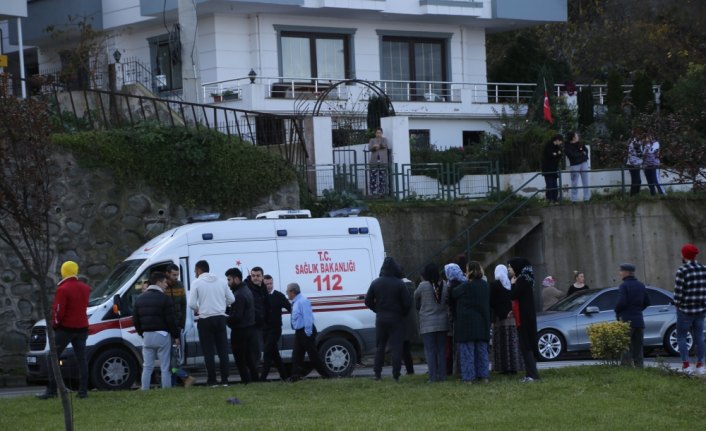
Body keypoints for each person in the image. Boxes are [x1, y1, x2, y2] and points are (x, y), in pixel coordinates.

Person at [37, 261, 91, 400]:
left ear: (63, 271)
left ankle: (52, 389)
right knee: (82, 359)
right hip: (82, 327)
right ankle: (83, 391)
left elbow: (58, 311)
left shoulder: (63, 289)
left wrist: (55, 325)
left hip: (66, 329)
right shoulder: (85, 288)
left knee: (52, 357)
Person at [365, 257, 412, 381]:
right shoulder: (399, 284)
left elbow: (367, 301)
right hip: (396, 318)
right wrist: (402, 313)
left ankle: (377, 374)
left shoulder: (375, 283)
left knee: (380, 347)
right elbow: (407, 303)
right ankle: (396, 374)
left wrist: (377, 310)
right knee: (396, 347)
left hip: (381, 318)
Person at [188, 260, 234, 387]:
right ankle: (225, 380)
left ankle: (212, 380)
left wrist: (199, 309)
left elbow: (191, 304)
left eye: (195, 271)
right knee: (223, 351)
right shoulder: (221, 281)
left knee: (209, 352)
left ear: (198, 270)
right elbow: (232, 299)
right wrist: (220, 306)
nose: (195, 274)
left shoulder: (196, 283)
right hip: (220, 318)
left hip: (205, 319)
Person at [133, 271, 180, 390]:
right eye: (164, 282)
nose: (166, 285)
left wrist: (141, 333)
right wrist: (176, 335)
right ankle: (166, 390)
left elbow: (136, 320)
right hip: (162, 335)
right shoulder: (165, 299)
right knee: (165, 367)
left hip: (147, 336)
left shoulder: (139, 299)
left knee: (147, 366)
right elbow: (171, 320)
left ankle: (145, 390)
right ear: (158, 282)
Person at [451, 261, 491, 383]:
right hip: (482, 322)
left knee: (467, 352)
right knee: (482, 351)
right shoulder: (485, 285)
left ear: (470, 271)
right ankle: (484, 376)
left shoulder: (466, 285)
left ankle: (468, 378)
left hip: (466, 324)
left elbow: (454, 293)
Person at [673, 244, 706, 374]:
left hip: (685, 311)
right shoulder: (704, 269)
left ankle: (686, 366)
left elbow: (678, 293)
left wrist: (677, 303)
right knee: (699, 337)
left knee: (681, 337)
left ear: (684, 255)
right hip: (700, 310)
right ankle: (700, 365)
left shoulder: (682, 270)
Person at [286, 283, 330, 381]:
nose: (287, 293)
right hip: (299, 331)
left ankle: (327, 375)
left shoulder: (303, 301)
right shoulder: (296, 301)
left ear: (292, 292)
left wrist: (307, 333)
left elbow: (308, 318)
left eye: (287, 291)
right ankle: (295, 376)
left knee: (313, 355)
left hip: (305, 331)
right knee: (297, 354)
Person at [414, 263, 448, 382]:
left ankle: (432, 377)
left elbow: (415, 297)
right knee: (441, 350)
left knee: (430, 351)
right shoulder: (444, 284)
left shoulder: (423, 285)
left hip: (427, 323)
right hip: (442, 322)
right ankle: (442, 375)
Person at [508, 257, 540, 382]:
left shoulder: (521, 280)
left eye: (510, 267)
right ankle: (531, 374)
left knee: (526, 346)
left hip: (524, 317)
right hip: (527, 315)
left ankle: (532, 375)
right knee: (528, 345)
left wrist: (512, 283)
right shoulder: (527, 279)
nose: (509, 270)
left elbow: (513, 295)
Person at [225, 268, 259, 384]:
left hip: (240, 331)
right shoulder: (246, 289)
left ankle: (246, 382)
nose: (228, 283)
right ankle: (255, 380)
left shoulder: (238, 294)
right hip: (249, 329)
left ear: (236, 279)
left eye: (229, 279)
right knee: (249, 359)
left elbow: (237, 316)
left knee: (240, 360)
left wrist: (226, 319)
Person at [489, 264, 524, 374]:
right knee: (512, 343)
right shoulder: (511, 283)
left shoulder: (495, 284)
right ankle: (514, 367)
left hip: (500, 318)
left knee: (501, 344)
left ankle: (503, 367)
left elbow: (491, 302)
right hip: (511, 317)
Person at [614, 263, 650, 368]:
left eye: (621, 271)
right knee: (638, 347)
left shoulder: (624, 286)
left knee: (626, 345)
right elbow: (647, 302)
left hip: (626, 320)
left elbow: (622, 302)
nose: (619, 273)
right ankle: (639, 367)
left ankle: (626, 367)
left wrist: (617, 311)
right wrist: (638, 309)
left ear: (626, 272)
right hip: (639, 320)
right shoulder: (641, 285)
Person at [260, 274, 292, 381]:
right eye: (267, 284)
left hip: (275, 329)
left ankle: (262, 378)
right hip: (264, 330)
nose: (269, 286)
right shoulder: (261, 296)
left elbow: (291, 308)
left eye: (270, 283)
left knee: (268, 351)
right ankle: (285, 376)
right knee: (275, 354)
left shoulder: (279, 296)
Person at [245, 267, 268, 361]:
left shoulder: (262, 288)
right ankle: (251, 375)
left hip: (259, 326)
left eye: (258, 276)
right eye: (253, 276)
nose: (255, 278)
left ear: (262, 277)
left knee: (256, 354)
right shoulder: (248, 288)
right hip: (251, 326)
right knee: (254, 354)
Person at [564, 131, 590, 203]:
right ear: (573, 138)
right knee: (574, 182)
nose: (578, 136)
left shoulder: (580, 143)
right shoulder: (567, 146)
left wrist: (581, 154)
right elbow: (572, 155)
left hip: (584, 163)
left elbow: (586, 151)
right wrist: (581, 154)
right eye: (576, 136)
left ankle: (586, 198)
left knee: (586, 181)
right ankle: (574, 199)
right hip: (575, 165)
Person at [401, 278, 418, 375]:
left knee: (404, 348)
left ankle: (409, 370)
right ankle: (409, 369)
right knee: (407, 347)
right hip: (412, 320)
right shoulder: (412, 286)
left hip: (403, 321)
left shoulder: (401, 287)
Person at [367, 127, 390, 197]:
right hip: (374, 162)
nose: (378, 134)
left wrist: (377, 146)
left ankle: (381, 193)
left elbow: (384, 145)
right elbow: (370, 148)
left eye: (379, 132)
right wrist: (375, 147)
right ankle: (373, 192)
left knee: (382, 178)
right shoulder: (372, 140)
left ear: (382, 133)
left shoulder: (384, 139)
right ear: (375, 133)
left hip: (383, 162)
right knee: (373, 177)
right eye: (377, 132)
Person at [541, 134, 564, 203]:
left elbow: (560, 154)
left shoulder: (557, 147)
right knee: (550, 185)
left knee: (555, 185)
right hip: (548, 169)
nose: (561, 143)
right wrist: (556, 154)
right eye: (560, 141)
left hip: (554, 168)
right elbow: (550, 155)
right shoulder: (549, 145)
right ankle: (549, 199)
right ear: (557, 140)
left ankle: (555, 199)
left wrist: (556, 154)